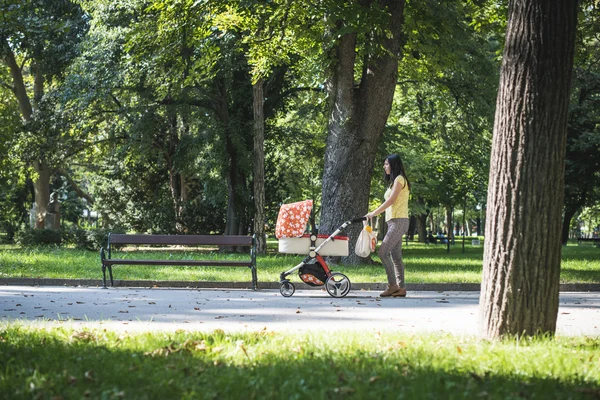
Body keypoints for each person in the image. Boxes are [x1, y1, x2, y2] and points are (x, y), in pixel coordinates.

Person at [366, 154, 411, 298]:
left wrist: (373, 213)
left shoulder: (399, 179)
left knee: (382, 252)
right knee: (396, 256)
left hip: (399, 221)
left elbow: (391, 200)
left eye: (386, 164)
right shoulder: (393, 182)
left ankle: (392, 285)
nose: (384, 166)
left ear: (393, 165)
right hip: (394, 221)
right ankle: (401, 288)